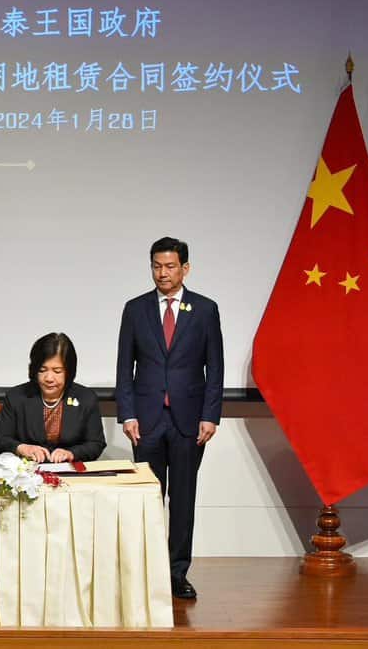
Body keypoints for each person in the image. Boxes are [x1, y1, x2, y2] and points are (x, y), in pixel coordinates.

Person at [116, 237, 223, 600]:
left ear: (185, 268)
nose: (163, 273)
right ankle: (146, 572)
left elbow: (215, 368)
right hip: (145, 421)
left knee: (183, 499)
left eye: (170, 266)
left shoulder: (205, 310)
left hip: (189, 421)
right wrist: (127, 414)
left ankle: (177, 573)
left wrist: (211, 416)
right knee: (147, 499)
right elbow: (124, 367)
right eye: (157, 266)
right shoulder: (135, 309)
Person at [0, 333, 105, 463]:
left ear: (69, 371)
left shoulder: (86, 398)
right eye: (42, 370)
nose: (49, 378)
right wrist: (22, 448)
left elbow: (96, 443)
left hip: (70, 469)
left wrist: (71, 453)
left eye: (57, 371)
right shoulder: (16, 396)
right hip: (27, 469)